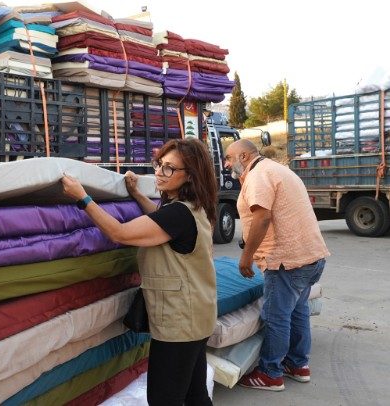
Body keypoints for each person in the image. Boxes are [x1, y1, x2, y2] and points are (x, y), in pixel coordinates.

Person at [61, 138, 218, 406]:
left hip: (179, 323)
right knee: (195, 395)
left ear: (189, 176)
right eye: (159, 164)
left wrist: (82, 197)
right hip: (197, 315)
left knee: (163, 399)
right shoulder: (193, 207)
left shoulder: (177, 214)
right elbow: (159, 220)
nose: (159, 172)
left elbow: (119, 233)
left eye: (169, 168)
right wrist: (137, 194)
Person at [224, 139, 329, 391]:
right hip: (309, 257)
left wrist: (246, 257)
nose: (226, 164)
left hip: (286, 260)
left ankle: (271, 373)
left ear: (244, 157)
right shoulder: (276, 169)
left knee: (275, 316)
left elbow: (262, 218)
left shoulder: (259, 175)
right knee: (298, 310)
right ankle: (297, 364)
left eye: (229, 158)